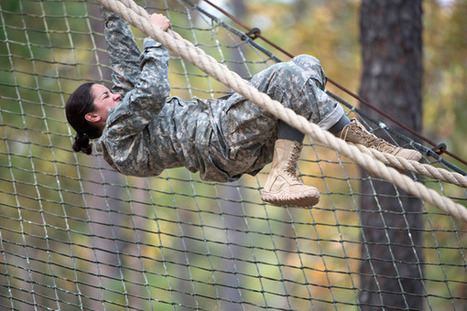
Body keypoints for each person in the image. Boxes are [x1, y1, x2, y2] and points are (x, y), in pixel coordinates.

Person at [66, 10, 422, 207]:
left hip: (233, 137)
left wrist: (111, 10)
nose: (114, 94)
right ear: (93, 117)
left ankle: (284, 173)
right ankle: (367, 145)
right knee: (284, 76)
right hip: (219, 141)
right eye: (106, 95)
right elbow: (152, 90)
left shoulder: (124, 112)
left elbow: (126, 61)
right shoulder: (117, 138)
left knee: (305, 65)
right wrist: (154, 40)